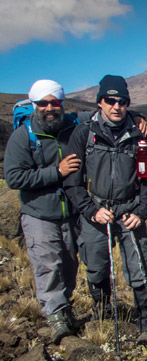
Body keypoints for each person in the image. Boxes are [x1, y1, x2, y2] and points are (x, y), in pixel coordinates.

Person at [64, 75, 147, 346]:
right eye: (110, 100)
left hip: (130, 212)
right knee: (95, 267)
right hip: (96, 213)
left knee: (140, 269)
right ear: (99, 102)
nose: (116, 106)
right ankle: (104, 314)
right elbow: (72, 181)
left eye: (123, 102)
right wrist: (91, 210)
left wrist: (141, 211)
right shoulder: (84, 133)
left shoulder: (139, 134)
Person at [4, 80, 81, 343]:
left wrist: (136, 116)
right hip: (38, 213)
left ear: (62, 104)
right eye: (44, 103)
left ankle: (64, 306)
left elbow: (101, 113)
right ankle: (56, 315)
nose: (50, 108)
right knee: (48, 265)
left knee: (69, 264)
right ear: (35, 105)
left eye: (55, 102)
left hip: (70, 212)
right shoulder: (23, 136)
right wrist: (56, 172)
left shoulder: (72, 126)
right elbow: (13, 177)